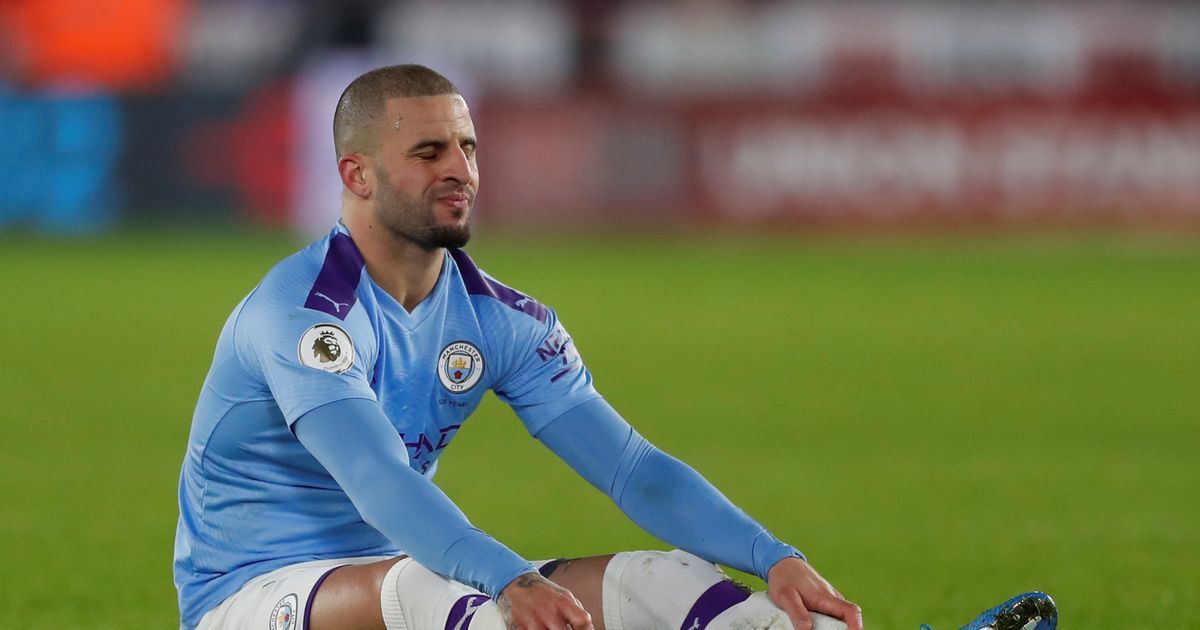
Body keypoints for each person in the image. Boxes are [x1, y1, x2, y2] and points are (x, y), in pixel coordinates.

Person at [172, 63, 864, 630]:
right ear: (357, 176)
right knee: (442, 592)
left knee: (666, 580)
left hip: (406, 577)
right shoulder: (306, 315)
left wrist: (774, 557)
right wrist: (509, 579)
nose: (460, 170)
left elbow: (631, 469)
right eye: (428, 153)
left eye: (467, 147)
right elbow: (378, 479)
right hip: (251, 594)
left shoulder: (500, 320)